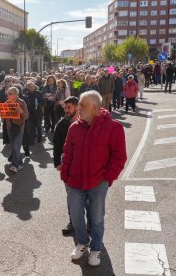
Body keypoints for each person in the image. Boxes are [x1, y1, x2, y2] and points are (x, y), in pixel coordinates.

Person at [61, 91, 127, 266]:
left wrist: (107, 178)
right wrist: (65, 176)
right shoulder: (74, 127)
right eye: (79, 105)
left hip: (98, 183)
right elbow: (67, 153)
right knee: (75, 216)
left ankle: (96, 249)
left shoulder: (114, 128)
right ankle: (82, 242)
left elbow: (119, 157)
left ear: (96, 108)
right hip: (74, 181)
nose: (79, 108)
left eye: (83, 105)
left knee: (96, 218)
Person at [52, 96, 85, 235]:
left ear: (77, 107)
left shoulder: (86, 121)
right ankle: (73, 222)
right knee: (71, 195)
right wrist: (57, 163)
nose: (66, 110)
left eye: (69, 108)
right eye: (65, 108)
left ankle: (88, 223)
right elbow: (57, 145)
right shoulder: (62, 124)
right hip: (68, 165)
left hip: (85, 164)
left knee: (88, 195)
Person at [1, 86, 29, 173]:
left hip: (19, 127)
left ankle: (14, 165)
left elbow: (27, 115)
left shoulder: (21, 102)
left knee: (16, 146)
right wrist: (0, 112)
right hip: (9, 127)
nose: (7, 95)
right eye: (7, 94)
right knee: (14, 146)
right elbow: (3, 116)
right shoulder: (7, 102)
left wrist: (21, 111)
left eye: (10, 94)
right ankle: (19, 162)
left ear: (16, 94)